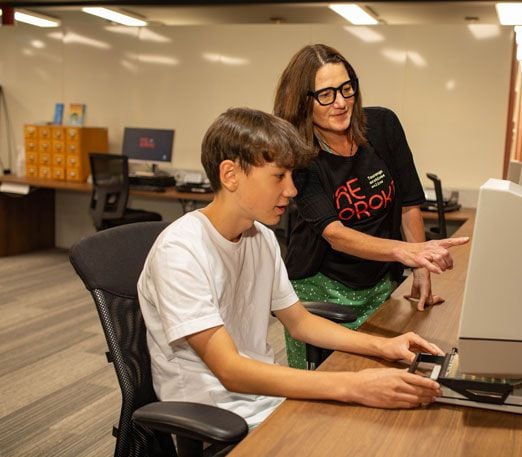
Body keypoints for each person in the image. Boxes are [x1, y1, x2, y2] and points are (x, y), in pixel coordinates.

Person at [137, 107, 444, 428]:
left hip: (263, 396)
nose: (292, 190)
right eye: (278, 176)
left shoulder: (261, 238)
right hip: (216, 409)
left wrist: (384, 345)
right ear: (230, 175)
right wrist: (353, 385)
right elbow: (229, 370)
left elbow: (300, 323)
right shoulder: (181, 251)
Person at [274, 44, 469, 369]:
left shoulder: (382, 126)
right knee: (322, 395)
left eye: (346, 88)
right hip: (321, 292)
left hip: (380, 286)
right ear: (303, 101)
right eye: (326, 94)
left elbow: (408, 204)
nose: (341, 102)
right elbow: (335, 234)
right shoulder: (300, 155)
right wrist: (405, 252)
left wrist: (420, 266)